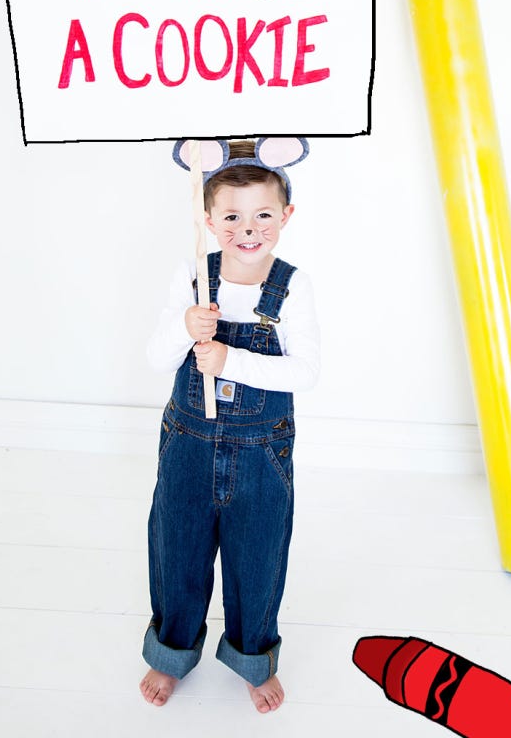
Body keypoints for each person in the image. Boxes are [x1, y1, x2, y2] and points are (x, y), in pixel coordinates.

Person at [139, 137, 319, 713]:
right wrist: (185, 328)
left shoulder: (292, 287)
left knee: (257, 556)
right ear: (209, 219)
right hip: (189, 442)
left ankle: (251, 656)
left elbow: (305, 373)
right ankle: (170, 653)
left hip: (259, 452)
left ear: (286, 216)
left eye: (264, 214)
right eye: (233, 216)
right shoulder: (193, 279)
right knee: (178, 550)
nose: (249, 228)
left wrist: (231, 361)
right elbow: (156, 359)